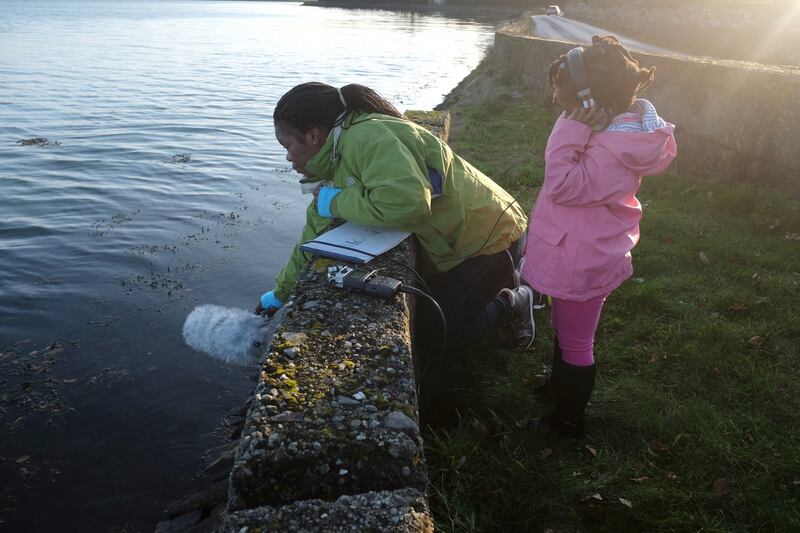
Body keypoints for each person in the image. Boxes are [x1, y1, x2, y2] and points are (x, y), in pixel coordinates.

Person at [258, 82, 540, 351]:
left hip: (491, 238)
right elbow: (314, 236)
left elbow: (409, 203)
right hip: (462, 240)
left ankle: (514, 301)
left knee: (435, 332)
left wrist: (336, 202)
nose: (288, 158)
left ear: (313, 135)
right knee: (429, 308)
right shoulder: (335, 160)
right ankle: (506, 279)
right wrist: (280, 294)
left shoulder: (367, 137)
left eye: (287, 147)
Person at [521, 36, 677, 437]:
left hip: (582, 255)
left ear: (588, 96)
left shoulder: (612, 146)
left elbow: (564, 186)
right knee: (564, 322)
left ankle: (568, 420)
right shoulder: (607, 126)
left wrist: (569, 129)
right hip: (579, 246)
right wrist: (575, 122)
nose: (554, 93)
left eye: (560, 88)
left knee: (577, 343)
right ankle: (558, 387)